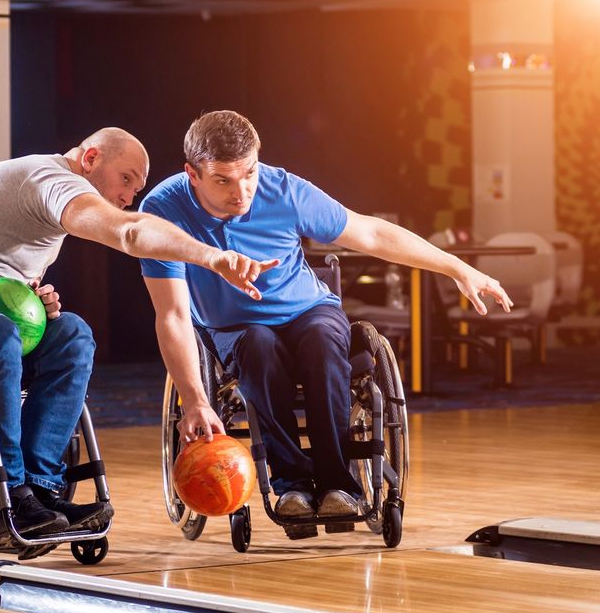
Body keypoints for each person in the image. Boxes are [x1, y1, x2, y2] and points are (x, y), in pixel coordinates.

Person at [0, 127, 274, 554]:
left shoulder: (48, 210)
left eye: (139, 185)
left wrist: (32, 303)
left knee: (71, 333)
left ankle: (40, 490)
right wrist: (212, 257)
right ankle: (9, 496)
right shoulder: (49, 179)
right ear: (90, 158)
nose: (131, 194)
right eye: (126, 178)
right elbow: (129, 233)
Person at [139, 111, 512, 521]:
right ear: (192, 174)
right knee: (260, 347)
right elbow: (172, 314)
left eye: (248, 174)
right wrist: (194, 400)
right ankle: (292, 486)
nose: (241, 191)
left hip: (308, 310)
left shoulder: (284, 191)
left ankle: (338, 483)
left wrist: (456, 267)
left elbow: (371, 233)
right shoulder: (162, 209)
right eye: (223, 180)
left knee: (321, 341)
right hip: (235, 326)